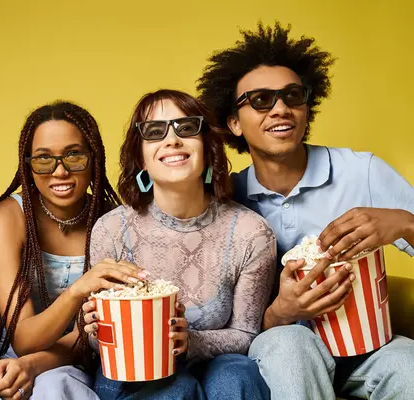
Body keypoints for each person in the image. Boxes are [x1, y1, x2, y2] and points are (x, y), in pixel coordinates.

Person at [197, 22, 414, 399]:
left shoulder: (361, 172)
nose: (281, 109)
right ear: (233, 122)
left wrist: (403, 223)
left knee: (409, 366)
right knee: (291, 347)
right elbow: (223, 316)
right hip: (281, 347)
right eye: (261, 100)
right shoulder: (226, 198)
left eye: (292, 96)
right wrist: (279, 313)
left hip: (370, 344)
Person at [82, 89, 276, 400]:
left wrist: (191, 341)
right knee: (175, 389)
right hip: (134, 376)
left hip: (219, 366)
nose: (172, 140)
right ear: (140, 156)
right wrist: (94, 331)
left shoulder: (251, 233)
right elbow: (101, 342)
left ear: (207, 147)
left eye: (186, 128)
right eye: (155, 132)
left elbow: (246, 333)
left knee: (236, 376)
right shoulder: (111, 230)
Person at [0, 101, 135, 400]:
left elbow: (93, 337)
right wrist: (78, 291)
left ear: (93, 158)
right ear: (28, 165)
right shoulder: (9, 217)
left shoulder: (113, 222)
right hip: (10, 352)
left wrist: (36, 364)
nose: (59, 171)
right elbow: (23, 339)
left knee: (55, 388)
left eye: (74, 155)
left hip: (79, 358)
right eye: (43, 159)